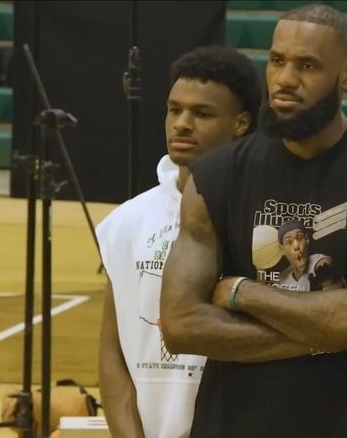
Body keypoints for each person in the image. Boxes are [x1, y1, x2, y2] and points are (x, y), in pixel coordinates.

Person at [158, 4, 347, 438]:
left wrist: (241, 292)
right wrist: (329, 334)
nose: (285, 80)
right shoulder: (215, 177)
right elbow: (180, 326)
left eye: (307, 65)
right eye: (277, 61)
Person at [96, 46, 263, 438]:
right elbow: (112, 351)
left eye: (202, 114)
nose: (182, 124)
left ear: (241, 123)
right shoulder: (127, 221)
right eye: (174, 110)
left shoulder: (265, 219)